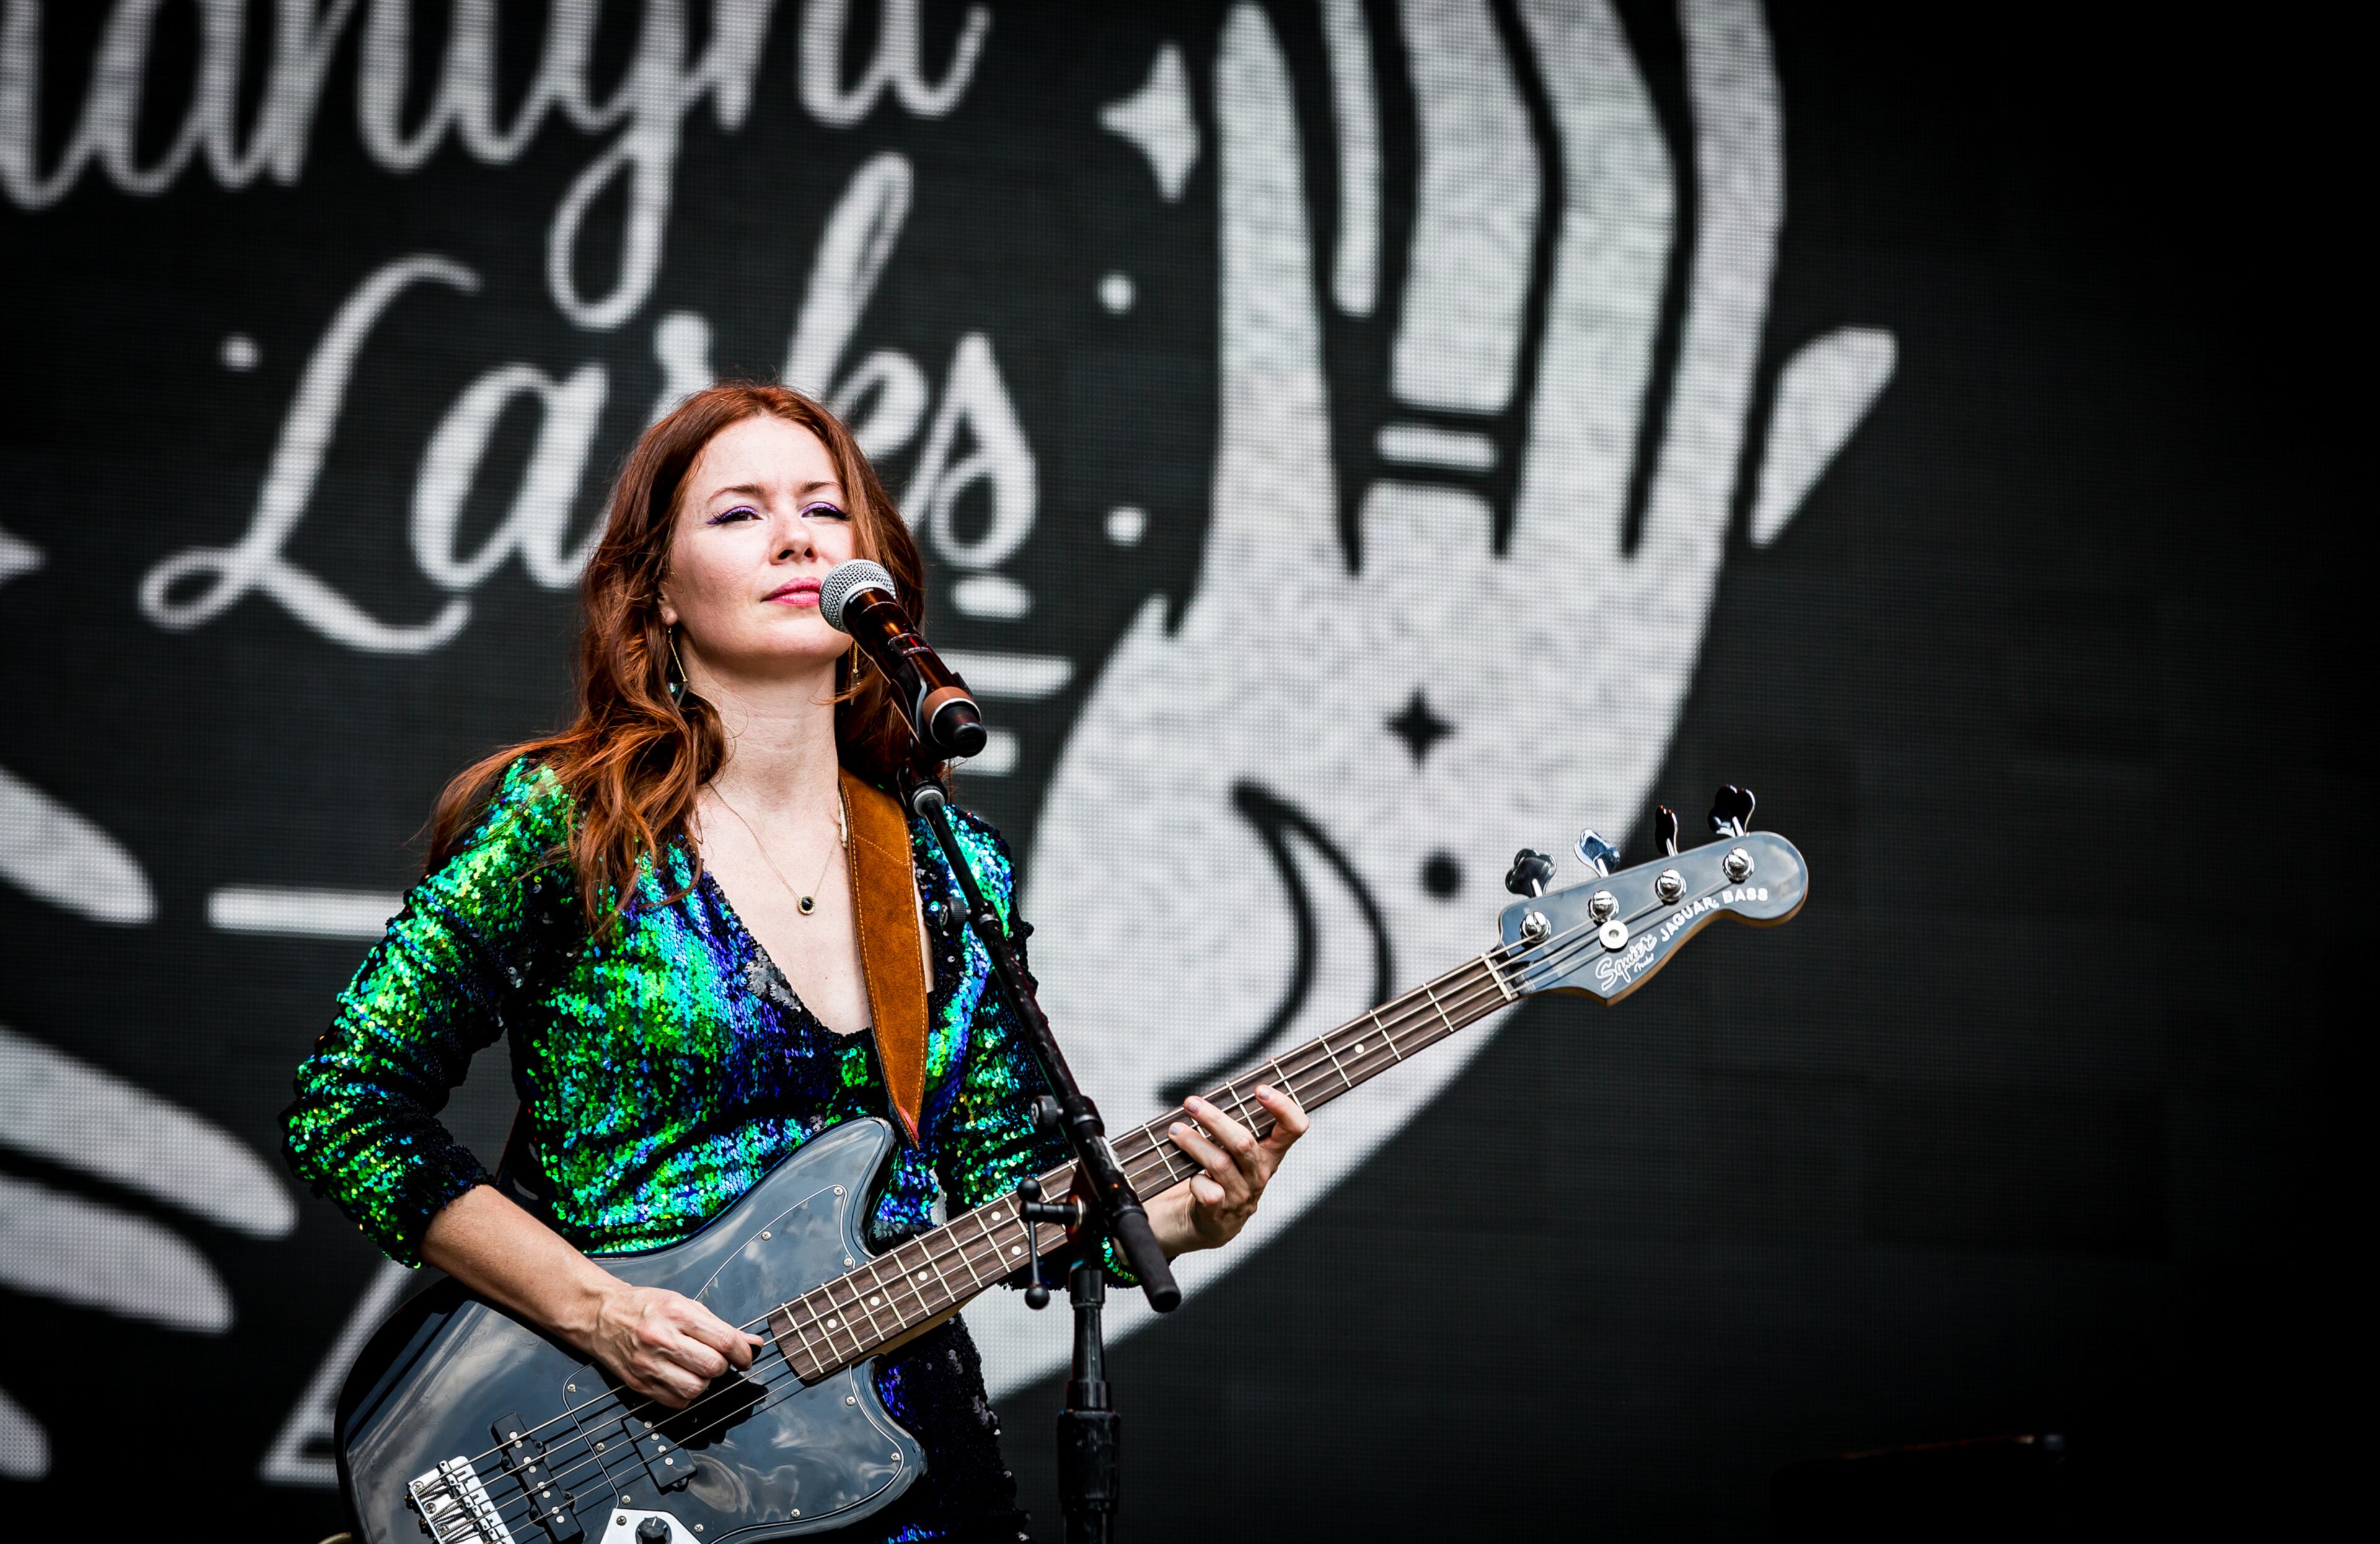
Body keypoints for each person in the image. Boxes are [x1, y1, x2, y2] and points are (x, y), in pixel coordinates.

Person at [283, 382, 1308, 1542]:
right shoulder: (575, 826)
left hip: (907, 1461)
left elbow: (1005, 1186)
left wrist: (1173, 1219)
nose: (797, 538)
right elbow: (347, 1108)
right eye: (739, 513)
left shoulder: (949, 867)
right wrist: (599, 1311)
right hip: (622, 1454)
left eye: (825, 509)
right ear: (657, 590)